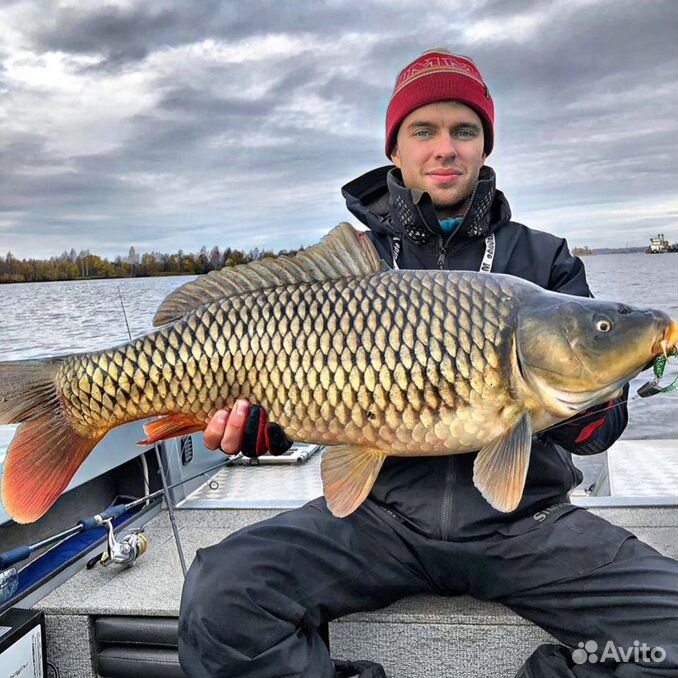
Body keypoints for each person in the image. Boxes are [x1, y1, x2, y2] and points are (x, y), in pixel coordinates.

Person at [178, 49, 678, 678]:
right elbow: (306, 401)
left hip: (527, 526)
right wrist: (266, 428)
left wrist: (601, 390)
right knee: (219, 598)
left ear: (483, 147)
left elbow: (600, 433)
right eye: (424, 130)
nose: (446, 148)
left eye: (464, 131)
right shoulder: (355, 262)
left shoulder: (545, 262)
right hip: (378, 523)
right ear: (396, 150)